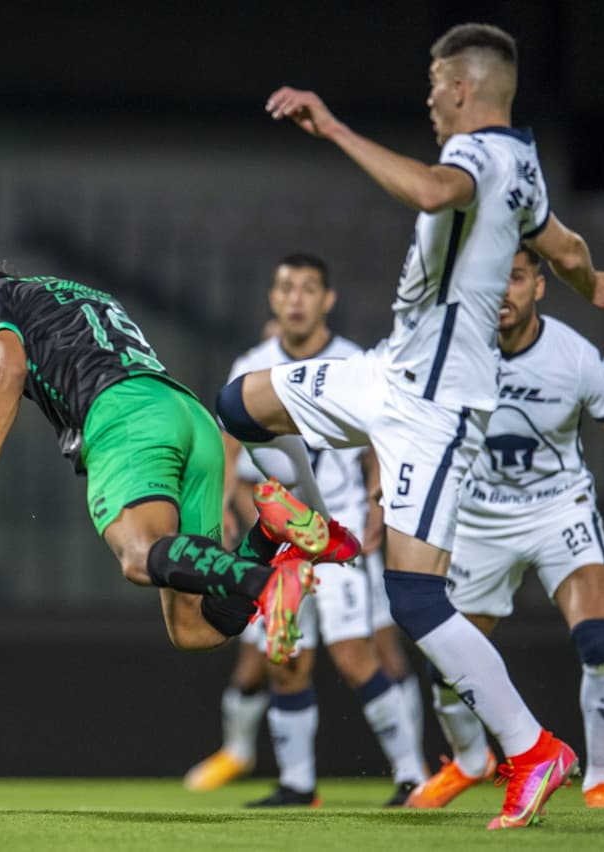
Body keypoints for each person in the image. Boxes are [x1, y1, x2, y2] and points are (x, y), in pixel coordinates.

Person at [218, 23, 604, 829]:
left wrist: (333, 126)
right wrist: (592, 286)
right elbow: (568, 244)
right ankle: (312, 527)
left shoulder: (477, 159)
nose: (427, 103)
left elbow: (429, 192)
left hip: (435, 408)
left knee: (414, 600)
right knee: (239, 402)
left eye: (431, 88)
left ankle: (532, 751)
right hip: (386, 372)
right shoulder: (525, 166)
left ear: (458, 89)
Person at [0, 265, 355, 663]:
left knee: (139, 556)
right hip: (188, 416)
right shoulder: (78, 294)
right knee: (195, 629)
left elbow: (7, 365)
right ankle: (268, 533)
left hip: (126, 418)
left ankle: (268, 584)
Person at [405, 247, 604, 810]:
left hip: (558, 511)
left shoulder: (574, 358)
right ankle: (472, 761)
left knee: (599, 642)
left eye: (518, 279)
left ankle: (600, 781)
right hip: (476, 519)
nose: (504, 292)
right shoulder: (451, 351)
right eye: (493, 280)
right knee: (446, 665)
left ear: (540, 287)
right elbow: (401, 414)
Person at [183, 253, 426, 807]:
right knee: (284, 661)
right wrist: (223, 502)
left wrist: (377, 504)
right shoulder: (253, 362)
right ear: (273, 299)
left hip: (337, 542)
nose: (296, 298)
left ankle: (412, 776)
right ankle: (299, 784)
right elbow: (229, 441)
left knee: (355, 656)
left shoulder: (355, 363)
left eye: (308, 288)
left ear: (327, 299)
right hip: (280, 544)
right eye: (286, 287)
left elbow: (379, 441)